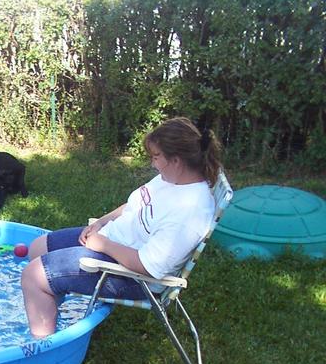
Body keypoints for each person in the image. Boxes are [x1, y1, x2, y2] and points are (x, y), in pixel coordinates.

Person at [21, 117, 223, 337]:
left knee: (34, 275)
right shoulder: (173, 179)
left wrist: (103, 245)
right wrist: (101, 222)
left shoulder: (190, 211)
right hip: (111, 241)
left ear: (176, 161)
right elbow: (135, 204)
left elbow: (148, 267)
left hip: (133, 276)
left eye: (156, 157)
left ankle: (44, 348)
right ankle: (49, 304)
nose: (152, 164)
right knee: (37, 248)